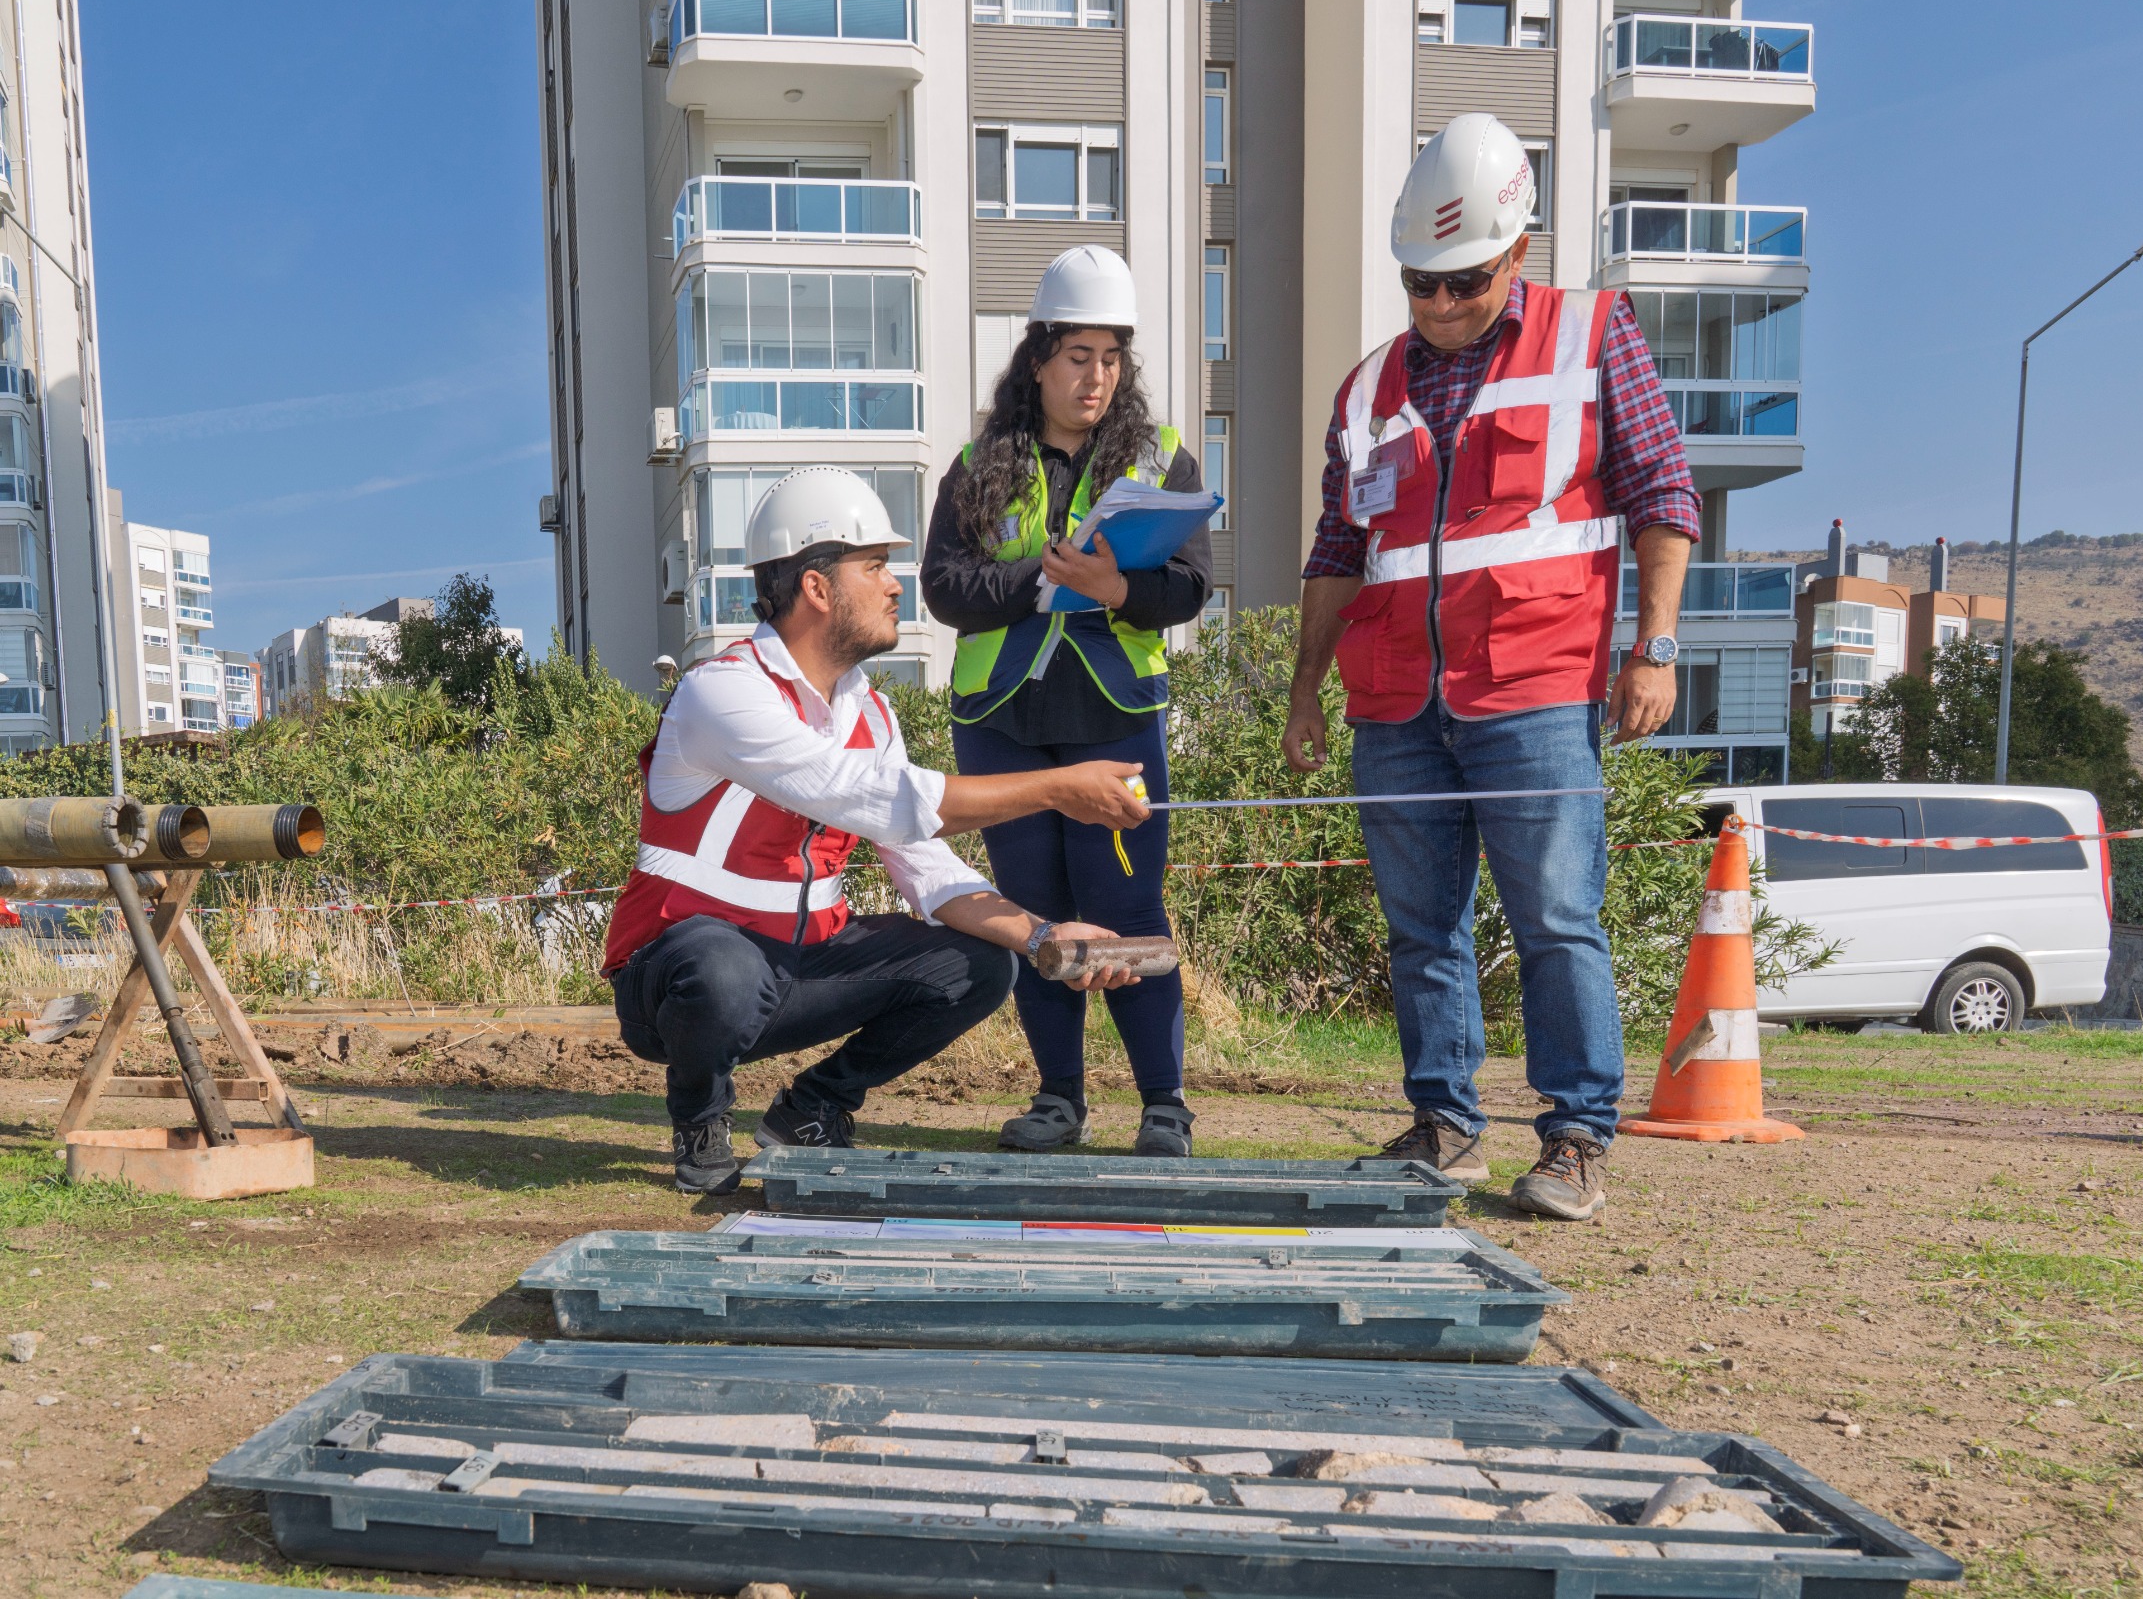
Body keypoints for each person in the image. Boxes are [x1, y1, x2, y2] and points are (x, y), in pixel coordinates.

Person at [1281, 114, 1700, 1222]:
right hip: (1394, 699)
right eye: (1420, 282)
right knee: (1421, 928)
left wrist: (1654, 646)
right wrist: (1302, 690)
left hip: (1537, 687)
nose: (1439, 304)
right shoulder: (1367, 388)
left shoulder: (1591, 335)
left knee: (1557, 918)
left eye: (1463, 282)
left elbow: (1663, 493)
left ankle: (1573, 1136)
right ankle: (1445, 1122)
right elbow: (1337, 546)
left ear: (1518, 253)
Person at [603, 466, 1150, 1194]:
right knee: (722, 968)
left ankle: (812, 1110)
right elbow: (863, 797)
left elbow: (926, 864)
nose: (897, 585)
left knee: (983, 965)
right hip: (676, 983)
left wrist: (1048, 938)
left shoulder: (872, 716)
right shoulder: (720, 691)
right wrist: (1053, 789)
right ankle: (701, 1118)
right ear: (817, 588)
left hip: (797, 970)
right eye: (875, 566)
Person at [922, 245, 1213, 1157]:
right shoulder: (977, 464)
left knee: (1128, 909)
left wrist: (1116, 589)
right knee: (1037, 914)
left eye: (1112, 357)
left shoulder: (1162, 458)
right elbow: (943, 588)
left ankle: (1164, 1104)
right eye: (1078, 356)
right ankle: (1059, 1101)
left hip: (1115, 718)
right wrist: (1042, 585)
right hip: (1001, 725)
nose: (1096, 377)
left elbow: (1191, 587)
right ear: (1038, 359)